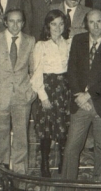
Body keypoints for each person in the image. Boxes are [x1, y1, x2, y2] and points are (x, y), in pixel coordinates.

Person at [62, 9, 101, 183]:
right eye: (91, 22)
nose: (96, 26)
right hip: (80, 103)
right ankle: (67, 184)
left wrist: (88, 95)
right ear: (86, 24)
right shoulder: (78, 40)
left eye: (99, 22)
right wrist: (77, 95)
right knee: (72, 146)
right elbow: (71, 70)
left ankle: (100, 184)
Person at [0, 8, 36, 174]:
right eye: (11, 21)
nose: (15, 25)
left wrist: (31, 92)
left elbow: (34, 69)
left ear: (23, 23)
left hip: (22, 96)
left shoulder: (30, 41)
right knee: (0, 138)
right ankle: (1, 173)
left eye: (19, 21)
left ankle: (20, 175)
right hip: (0, 97)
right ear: (5, 22)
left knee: (21, 138)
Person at [30, 9, 72, 177]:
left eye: (61, 23)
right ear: (48, 25)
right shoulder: (41, 45)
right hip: (47, 88)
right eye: (53, 24)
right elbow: (36, 73)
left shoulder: (68, 43)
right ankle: (45, 162)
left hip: (64, 89)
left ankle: (62, 159)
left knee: (63, 127)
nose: (57, 27)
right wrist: (43, 97)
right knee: (46, 128)